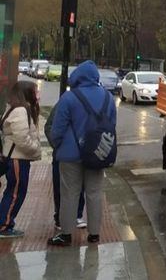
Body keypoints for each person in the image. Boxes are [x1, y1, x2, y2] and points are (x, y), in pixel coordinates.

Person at [48, 61, 117, 246]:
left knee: (69, 194)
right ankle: (94, 234)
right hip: (97, 153)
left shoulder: (69, 98)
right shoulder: (108, 98)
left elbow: (57, 130)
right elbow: (112, 125)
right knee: (94, 193)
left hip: (70, 156)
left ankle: (66, 234)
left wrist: (58, 146)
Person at [0, 81, 42, 238]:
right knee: (15, 193)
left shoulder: (17, 108)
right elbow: (22, 138)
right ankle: (4, 225)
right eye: (34, 91)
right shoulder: (20, 111)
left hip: (15, 157)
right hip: (17, 158)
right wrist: (35, 148)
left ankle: (5, 222)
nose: (37, 94)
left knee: (13, 191)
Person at [44, 102, 86, 231]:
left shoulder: (84, 103)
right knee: (62, 186)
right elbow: (50, 127)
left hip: (79, 153)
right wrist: (58, 146)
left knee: (79, 186)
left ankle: (76, 215)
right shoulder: (64, 103)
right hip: (63, 154)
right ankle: (61, 217)